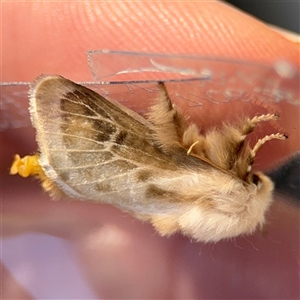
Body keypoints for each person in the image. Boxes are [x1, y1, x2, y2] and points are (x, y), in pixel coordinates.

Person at [2, 1, 299, 299]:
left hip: (93, 150)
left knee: (139, 142)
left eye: (253, 177)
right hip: (86, 179)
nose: (253, 169)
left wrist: (253, 134)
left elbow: (195, 141)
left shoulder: (223, 184)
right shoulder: (197, 210)